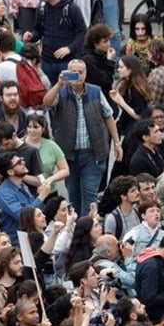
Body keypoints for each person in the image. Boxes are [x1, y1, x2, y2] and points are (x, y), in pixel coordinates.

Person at [42, 59, 121, 212]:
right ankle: (77, 228)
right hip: (69, 156)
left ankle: (87, 229)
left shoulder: (95, 92)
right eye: (74, 72)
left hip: (93, 154)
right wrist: (59, 84)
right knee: (74, 195)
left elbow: (109, 116)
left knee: (90, 195)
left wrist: (117, 143)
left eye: (81, 72)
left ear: (86, 74)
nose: (77, 75)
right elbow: (47, 102)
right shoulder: (62, 91)